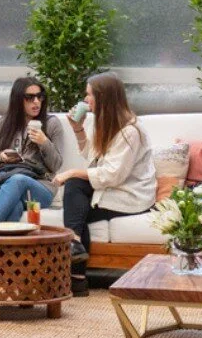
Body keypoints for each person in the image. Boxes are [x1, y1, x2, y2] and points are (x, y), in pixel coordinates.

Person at [53, 72, 156, 295]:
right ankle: (75, 248)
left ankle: (77, 276)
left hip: (130, 195)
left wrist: (71, 172)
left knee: (75, 200)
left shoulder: (131, 131)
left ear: (104, 97)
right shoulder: (106, 122)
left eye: (89, 94)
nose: (85, 99)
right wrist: (78, 128)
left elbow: (112, 175)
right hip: (112, 187)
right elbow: (93, 157)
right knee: (75, 195)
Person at [0, 77, 63, 223]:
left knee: (18, 180)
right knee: (14, 207)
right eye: (30, 97)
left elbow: (56, 165)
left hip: (41, 187)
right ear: (18, 100)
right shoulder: (3, 124)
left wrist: (44, 142)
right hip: (7, 183)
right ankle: (2, 239)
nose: (36, 101)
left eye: (39, 96)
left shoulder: (52, 124)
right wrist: (1, 157)